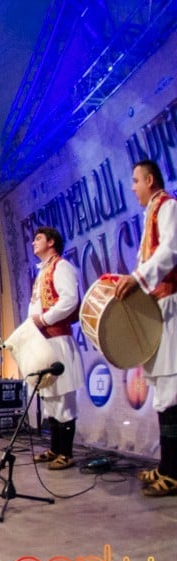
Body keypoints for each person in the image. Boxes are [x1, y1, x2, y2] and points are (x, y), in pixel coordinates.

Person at [114, 159, 177, 496]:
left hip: (172, 307)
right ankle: (168, 467)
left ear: (150, 180)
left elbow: (172, 249)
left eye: (136, 180)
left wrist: (138, 278)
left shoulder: (168, 206)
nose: (133, 187)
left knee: (171, 391)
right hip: (161, 309)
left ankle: (174, 472)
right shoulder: (152, 212)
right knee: (164, 392)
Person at [23, 226, 85, 469]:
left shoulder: (62, 266)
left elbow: (70, 300)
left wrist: (44, 319)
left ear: (51, 242)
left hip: (58, 341)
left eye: (38, 239)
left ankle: (66, 453)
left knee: (62, 398)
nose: (33, 243)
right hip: (44, 342)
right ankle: (55, 448)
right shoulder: (42, 272)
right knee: (49, 397)